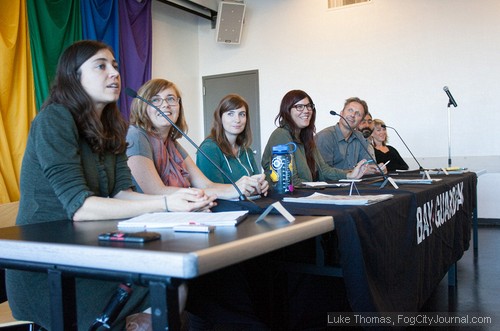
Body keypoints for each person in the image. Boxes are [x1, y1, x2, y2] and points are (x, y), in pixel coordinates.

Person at [6, 40, 215, 331]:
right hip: (48, 268)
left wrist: (182, 199)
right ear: (73, 77)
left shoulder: (112, 126)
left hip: (91, 251)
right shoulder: (54, 119)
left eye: (115, 66)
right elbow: (80, 208)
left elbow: (121, 194)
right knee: (168, 286)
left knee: (178, 282)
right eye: (101, 66)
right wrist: (166, 203)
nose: (114, 73)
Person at [126, 79, 268, 200]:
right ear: (143, 106)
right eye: (155, 100)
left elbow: (206, 185)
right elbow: (156, 192)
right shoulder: (136, 136)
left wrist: (244, 187)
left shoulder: (173, 144)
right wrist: (232, 190)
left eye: (171, 99)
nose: (165, 105)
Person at [261, 90, 367, 187]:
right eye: (299, 107)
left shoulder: (305, 137)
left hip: (304, 195)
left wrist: (349, 176)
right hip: (289, 199)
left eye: (308, 106)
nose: (306, 110)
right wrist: (316, 188)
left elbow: (323, 170)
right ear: (287, 110)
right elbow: (290, 181)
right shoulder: (281, 134)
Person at [196, 94, 262, 185]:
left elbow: (257, 181)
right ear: (220, 118)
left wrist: (262, 185)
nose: (237, 120)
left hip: (251, 199)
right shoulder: (209, 149)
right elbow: (212, 191)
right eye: (230, 114)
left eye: (242, 114)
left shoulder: (247, 151)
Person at [315, 97, 383, 175]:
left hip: (355, 185)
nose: (353, 115)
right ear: (341, 113)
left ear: (360, 121)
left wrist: (376, 169)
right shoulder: (325, 136)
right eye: (350, 110)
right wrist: (353, 173)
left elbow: (368, 165)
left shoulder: (360, 137)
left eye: (358, 114)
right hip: (330, 186)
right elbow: (323, 173)